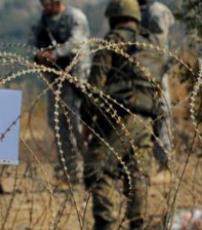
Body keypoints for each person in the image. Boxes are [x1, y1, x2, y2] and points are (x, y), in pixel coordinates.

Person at [81, 0, 165, 229]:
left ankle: (106, 223)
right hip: (147, 119)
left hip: (118, 116)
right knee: (137, 175)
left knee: (97, 169)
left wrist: (87, 120)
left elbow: (94, 87)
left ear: (113, 17)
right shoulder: (151, 44)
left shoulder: (112, 42)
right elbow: (158, 90)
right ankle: (138, 223)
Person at [31, 0, 90, 184]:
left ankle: (91, 167)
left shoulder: (75, 18)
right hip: (55, 79)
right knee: (57, 123)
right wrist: (39, 56)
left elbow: (76, 42)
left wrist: (55, 54)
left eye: (49, 3)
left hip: (75, 79)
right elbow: (33, 43)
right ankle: (69, 170)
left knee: (78, 124)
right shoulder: (44, 22)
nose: (46, 6)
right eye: (44, 3)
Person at [139, 0, 175, 170]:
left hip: (156, 71)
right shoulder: (141, 10)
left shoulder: (156, 12)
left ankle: (165, 165)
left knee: (161, 114)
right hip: (144, 71)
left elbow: (158, 44)